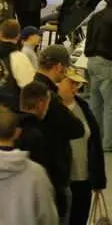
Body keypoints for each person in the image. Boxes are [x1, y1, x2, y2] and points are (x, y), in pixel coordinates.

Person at [34, 45, 85, 222]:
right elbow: (77, 128)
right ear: (59, 67)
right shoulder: (50, 98)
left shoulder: (30, 89)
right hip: (53, 178)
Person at [58, 68, 107, 225]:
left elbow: (95, 144)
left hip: (82, 180)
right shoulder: (52, 110)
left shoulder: (84, 108)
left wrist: (98, 180)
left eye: (77, 84)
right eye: (71, 83)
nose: (75, 87)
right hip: (60, 181)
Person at [0, 20, 35, 112]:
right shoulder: (19, 58)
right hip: (9, 115)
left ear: (0, 34)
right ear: (18, 36)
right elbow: (29, 87)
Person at [85, 0, 112, 152]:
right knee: (110, 104)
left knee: (95, 102)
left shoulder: (96, 16)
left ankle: (96, 137)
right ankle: (108, 143)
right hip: (107, 63)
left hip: (92, 62)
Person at [17, 81, 51, 169]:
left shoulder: (9, 129)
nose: (47, 108)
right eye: (48, 103)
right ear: (40, 103)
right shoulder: (37, 134)